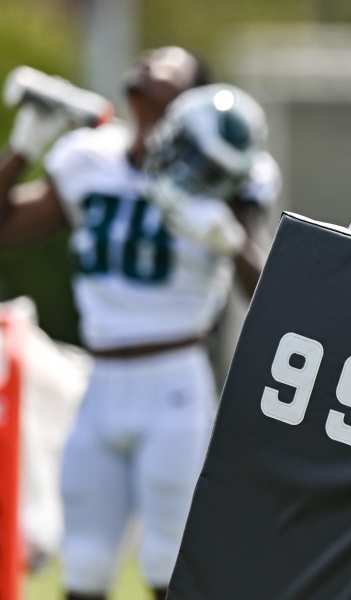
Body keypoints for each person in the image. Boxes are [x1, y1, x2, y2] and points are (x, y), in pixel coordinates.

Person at [0, 47, 280, 600]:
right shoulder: (89, 157)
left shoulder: (225, 167)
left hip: (173, 379)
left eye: (170, 68)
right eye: (149, 61)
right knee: (83, 563)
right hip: (99, 380)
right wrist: (23, 146)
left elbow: (266, 294)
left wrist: (226, 235)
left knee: (168, 564)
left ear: (193, 101)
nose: (152, 67)